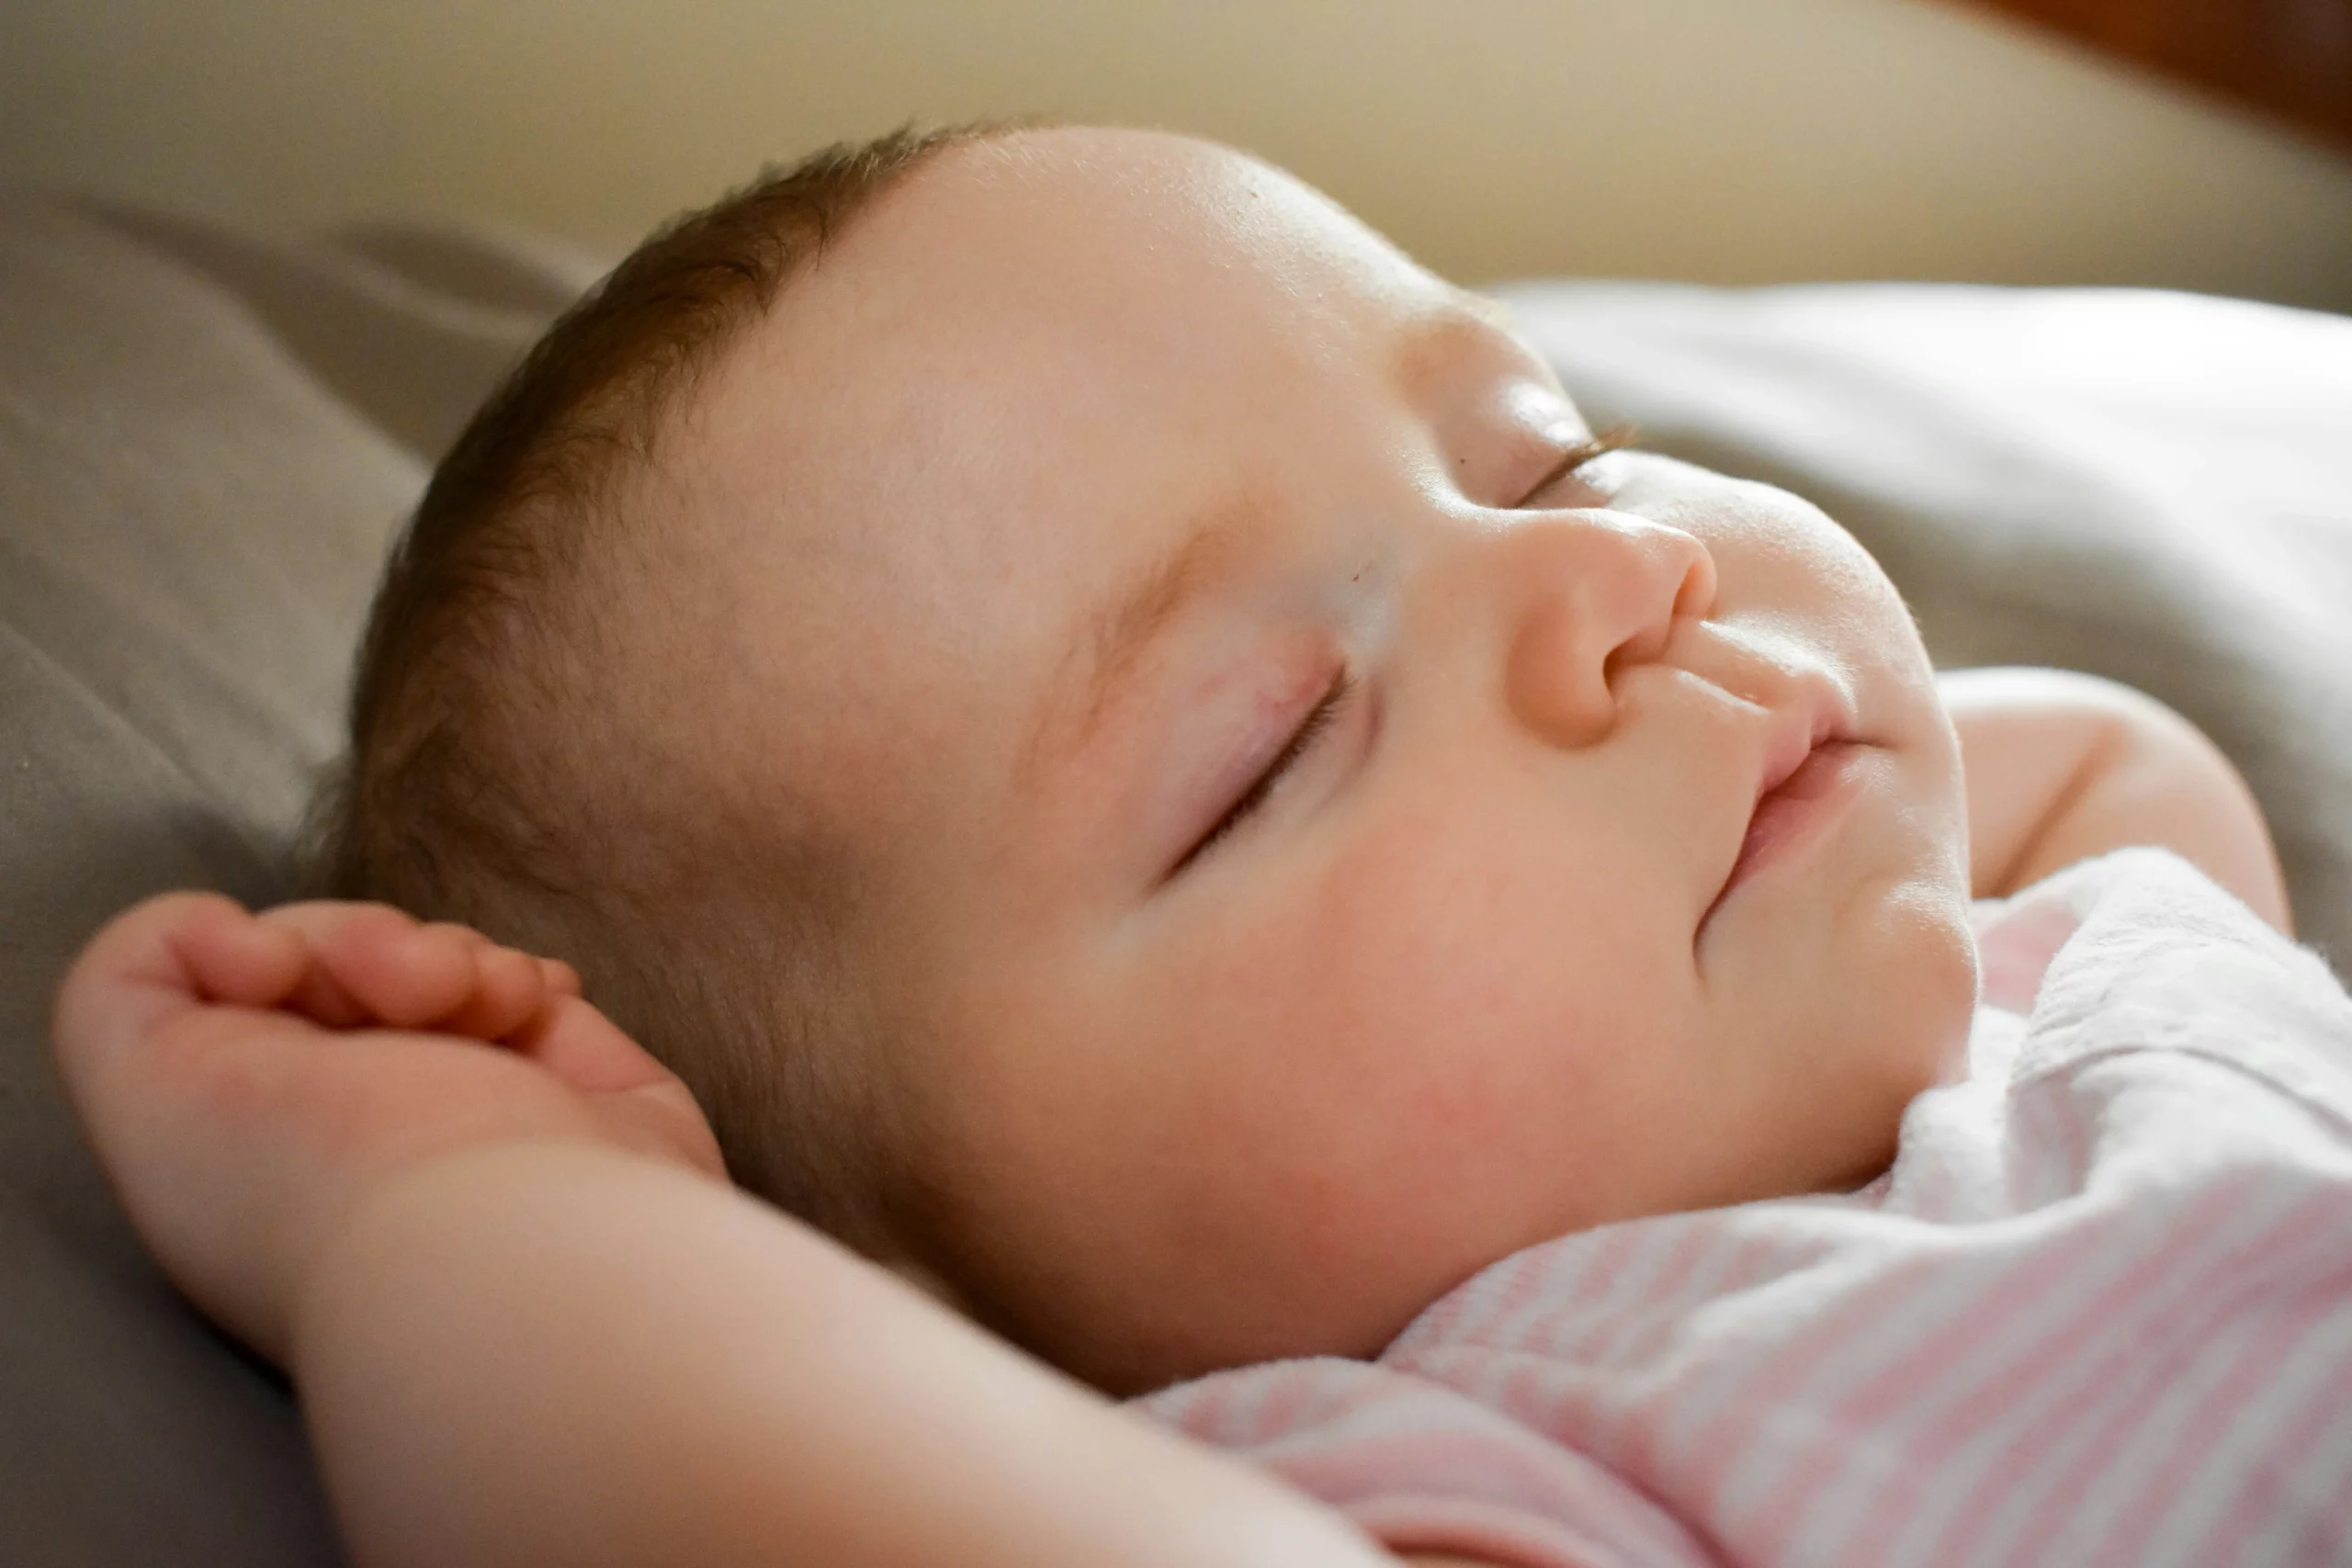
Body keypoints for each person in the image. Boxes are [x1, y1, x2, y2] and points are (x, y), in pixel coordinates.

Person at [51, 122, 2346, 1567]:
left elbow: (2092, 780)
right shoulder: (1479, 1454)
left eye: (1545, 456)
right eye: (1276, 742)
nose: (1606, 581)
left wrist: (1833, 778)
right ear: (914, 1315)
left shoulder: (2034, 968)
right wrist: (459, 1213)